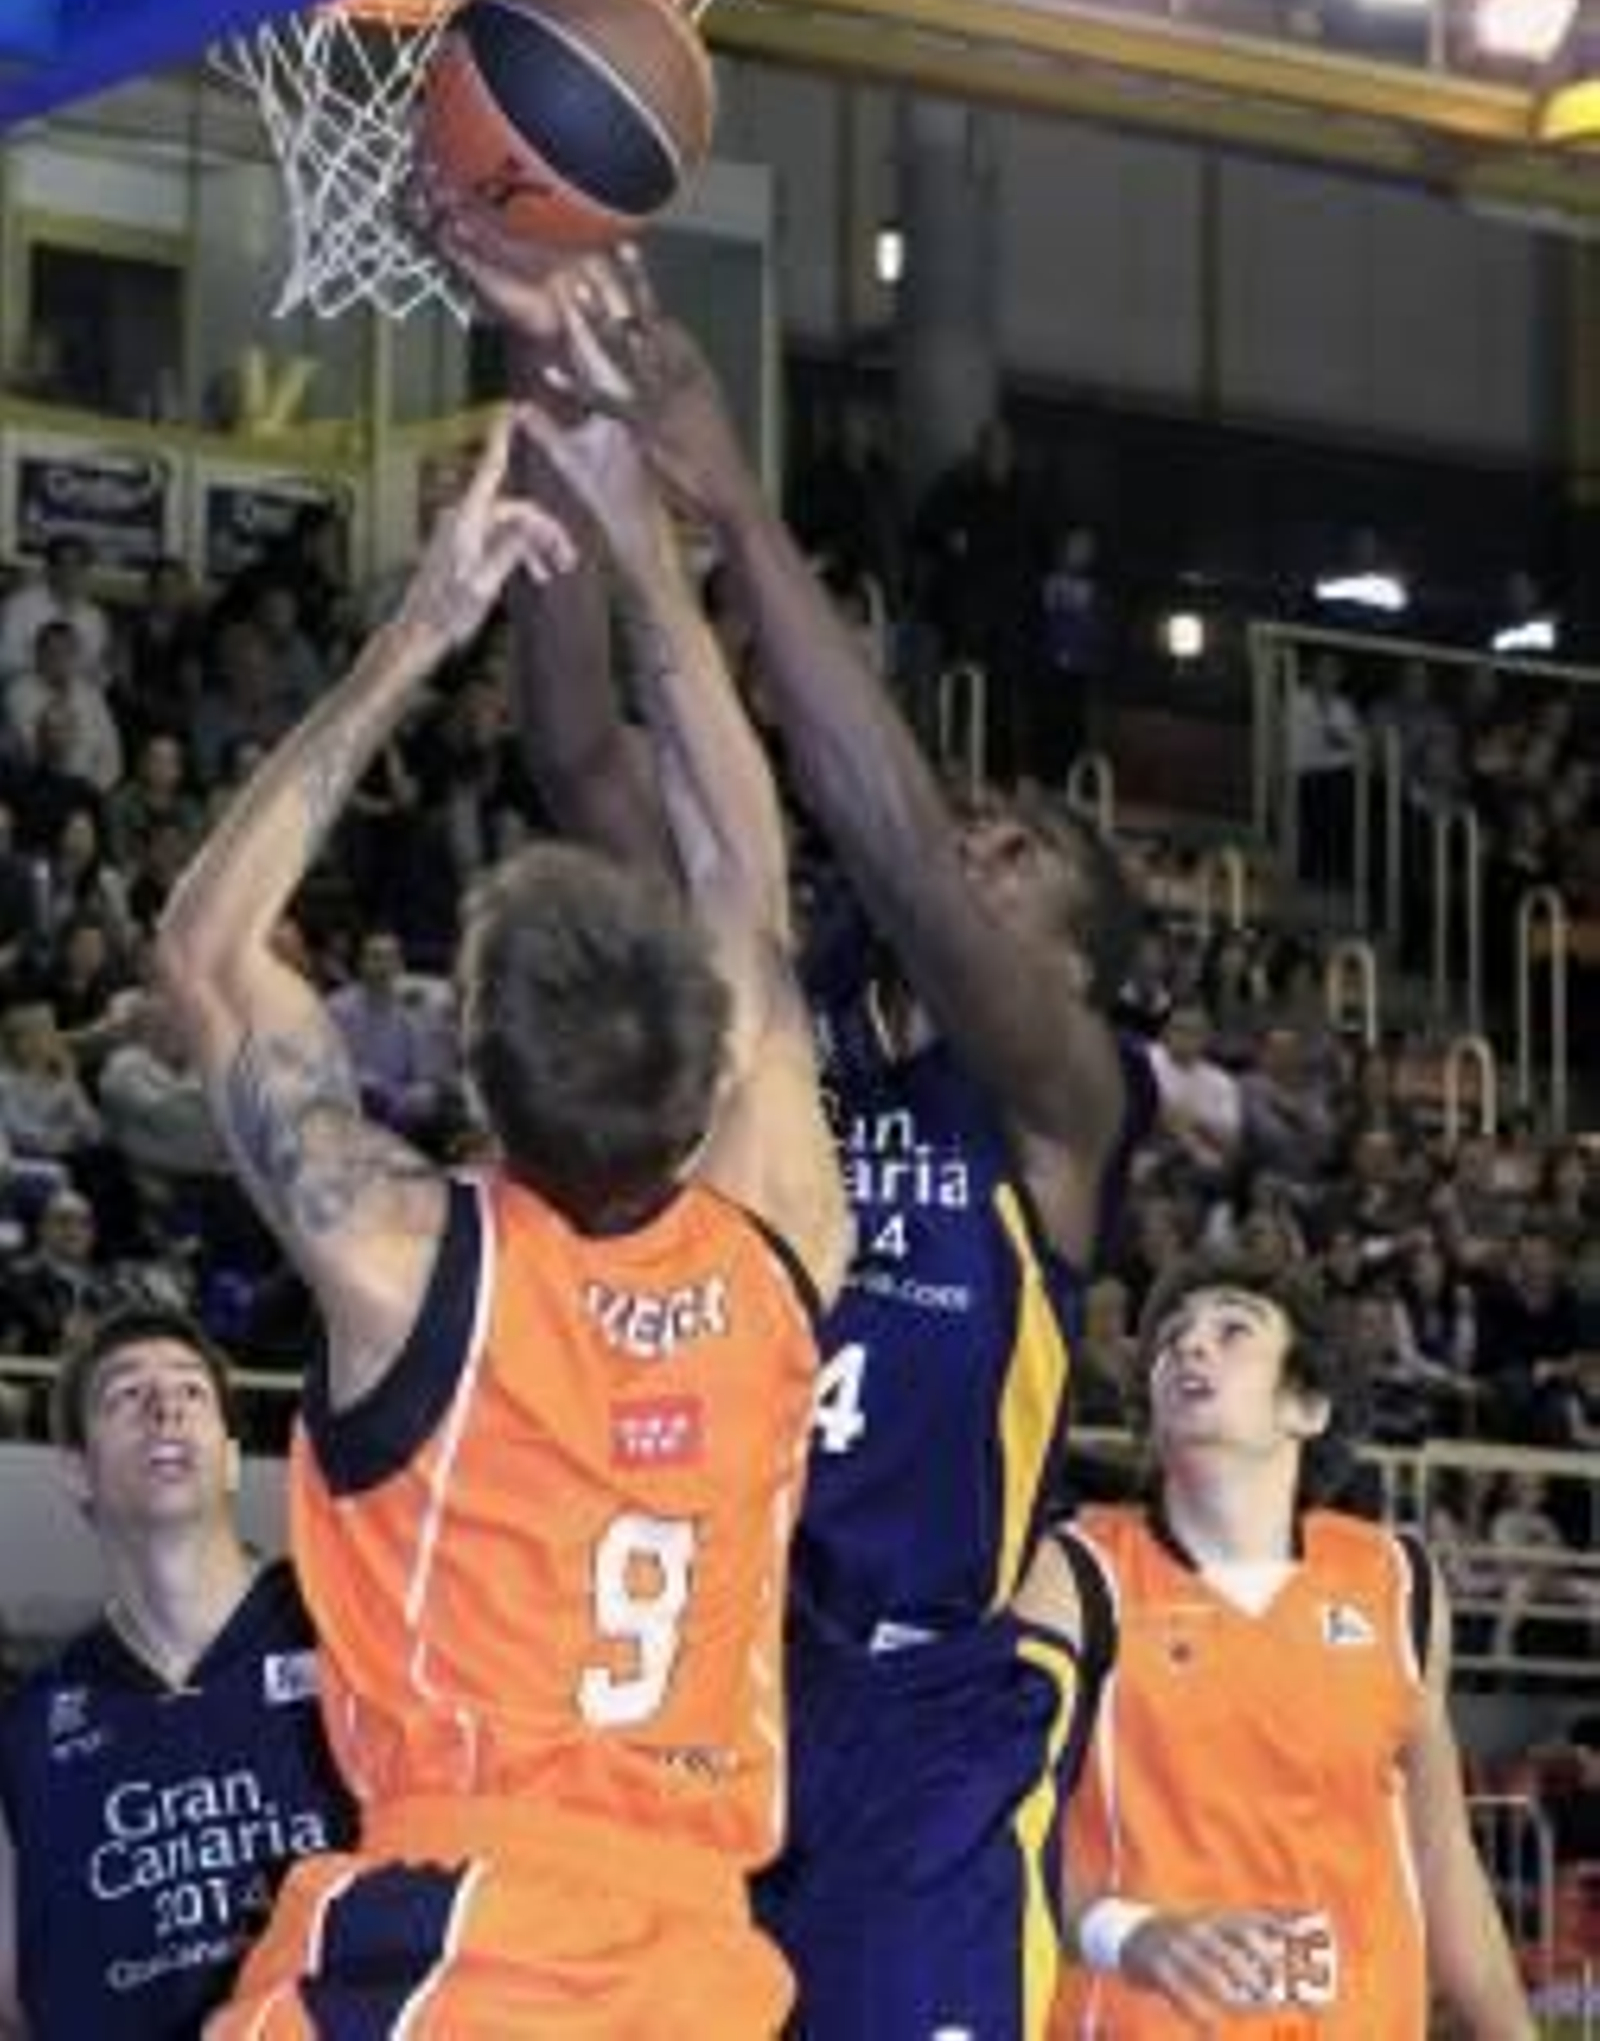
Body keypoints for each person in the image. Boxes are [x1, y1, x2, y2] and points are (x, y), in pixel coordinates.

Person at [440, 222, 1150, 2039]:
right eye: (983, 827)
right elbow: (586, 751)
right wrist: (560, 414)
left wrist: (729, 502)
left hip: (918, 1730)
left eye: (1025, 859)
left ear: (1069, 958)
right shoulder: (781, 1006)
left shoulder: (1061, 1095)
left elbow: (896, 836)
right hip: (700, 1679)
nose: (980, 846)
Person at [156, 411, 848, 2034]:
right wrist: (649, 554)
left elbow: (205, 952)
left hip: (466, 1941)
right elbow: (746, 877)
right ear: (710, 1075)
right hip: (700, 1965)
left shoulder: (409, 1264)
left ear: (470, 1075)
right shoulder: (781, 1251)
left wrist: (419, 630)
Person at [1014, 1258, 1535, 2038]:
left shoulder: (1397, 1583)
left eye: (1231, 1330)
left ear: (1307, 1404)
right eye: (1171, 1340)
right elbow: (996, 1826)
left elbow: (1442, 1855)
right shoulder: (1079, 1573)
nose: (1189, 1348)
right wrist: (1128, 1933)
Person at [0, 1303, 355, 2039]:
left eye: (192, 1391)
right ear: (76, 1470)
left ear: (230, 1457)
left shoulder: (349, 1629)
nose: (164, 1406)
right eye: (125, 1394)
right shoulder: (29, 1727)